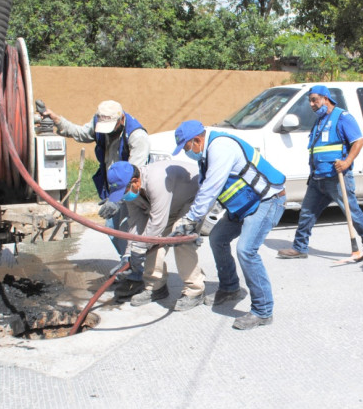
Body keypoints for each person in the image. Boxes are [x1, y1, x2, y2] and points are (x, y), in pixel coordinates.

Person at [171, 120, 286, 330]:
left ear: (197, 140)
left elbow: (211, 187)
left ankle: (263, 311)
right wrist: (196, 224)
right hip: (244, 205)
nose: (187, 152)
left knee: (246, 250)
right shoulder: (206, 155)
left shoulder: (220, 147)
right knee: (217, 239)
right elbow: (206, 191)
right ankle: (231, 288)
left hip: (267, 201)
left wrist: (190, 219)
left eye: (187, 147)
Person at [276, 85, 363, 260]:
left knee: (352, 212)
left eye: (314, 100)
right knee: (307, 213)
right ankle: (299, 247)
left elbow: (358, 141)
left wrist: (347, 162)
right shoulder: (320, 120)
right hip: (317, 178)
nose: (311, 104)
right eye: (310, 101)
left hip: (337, 178)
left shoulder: (342, 117)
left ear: (325, 98)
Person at [44, 100, 150, 256]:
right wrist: (57, 120)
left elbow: (134, 174)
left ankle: (136, 264)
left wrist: (116, 200)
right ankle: (128, 262)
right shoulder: (99, 124)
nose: (106, 132)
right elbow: (80, 133)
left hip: (132, 191)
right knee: (112, 229)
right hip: (115, 189)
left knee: (129, 231)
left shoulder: (137, 136)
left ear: (121, 119)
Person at [103, 160, 205, 311]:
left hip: (192, 201)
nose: (124, 195)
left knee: (181, 238)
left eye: (124, 191)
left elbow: (157, 223)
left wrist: (139, 249)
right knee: (149, 240)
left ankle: (194, 291)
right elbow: (136, 223)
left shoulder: (156, 180)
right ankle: (155, 286)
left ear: (135, 181)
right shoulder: (132, 190)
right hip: (170, 205)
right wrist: (128, 254)